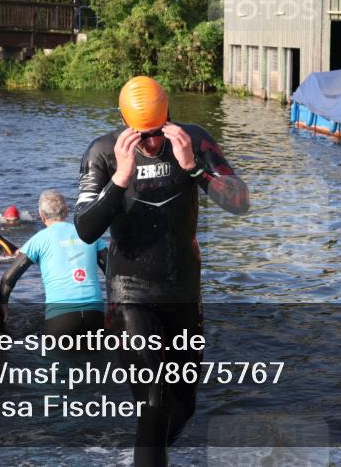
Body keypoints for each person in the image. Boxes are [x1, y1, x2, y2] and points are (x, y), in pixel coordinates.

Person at [74, 76, 250, 466]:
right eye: (143, 135)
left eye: (158, 133)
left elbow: (240, 202)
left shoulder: (193, 140)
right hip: (129, 294)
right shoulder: (103, 152)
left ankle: (141, 455)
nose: (153, 143)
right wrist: (120, 179)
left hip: (183, 291)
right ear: (126, 124)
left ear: (169, 116)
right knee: (152, 395)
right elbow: (85, 229)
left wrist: (194, 170)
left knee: (182, 405)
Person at [0, 190, 106, 338]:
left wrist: (3, 304)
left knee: (55, 360)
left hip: (61, 315)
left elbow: (9, 278)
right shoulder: (89, 233)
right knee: (94, 359)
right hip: (95, 313)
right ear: (66, 211)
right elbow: (111, 270)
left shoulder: (39, 239)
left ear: (41, 215)